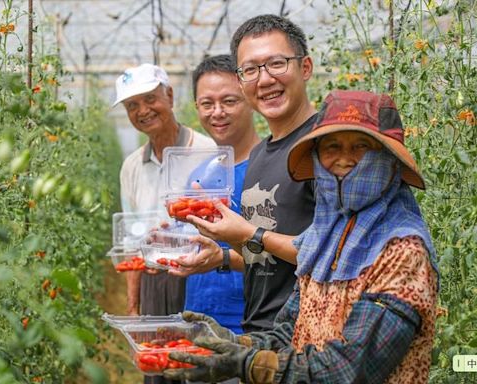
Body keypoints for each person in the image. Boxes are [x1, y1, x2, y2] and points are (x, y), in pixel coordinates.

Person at [163, 90, 439, 384]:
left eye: (361, 146)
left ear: (390, 160)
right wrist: (235, 344)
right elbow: (291, 329)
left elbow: (348, 369)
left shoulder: (402, 251)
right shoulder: (324, 236)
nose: (344, 159)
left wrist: (248, 364)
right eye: (332, 146)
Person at [182, 14, 317, 333]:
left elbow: (336, 253)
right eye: (251, 70)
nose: (265, 79)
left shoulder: (325, 145)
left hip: (307, 340)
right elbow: (267, 260)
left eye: (277, 63)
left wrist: (245, 234)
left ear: (305, 67)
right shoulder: (260, 156)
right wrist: (224, 251)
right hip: (258, 336)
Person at [114, 63, 215, 384]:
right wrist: (134, 309)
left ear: (169, 96)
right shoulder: (131, 166)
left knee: (200, 369)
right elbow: (132, 242)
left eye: (150, 99)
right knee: (158, 370)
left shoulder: (207, 152)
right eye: (132, 105)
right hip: (154, 280)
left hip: (200, 277)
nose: (142, 111)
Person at [170, 54, 260, 337]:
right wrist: (169, 240)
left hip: (249, 330)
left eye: (229, 101)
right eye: (207, 104)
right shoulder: (201, 174)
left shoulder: (271, 168)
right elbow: (195, 243)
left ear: (250, 99)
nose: (217, 112)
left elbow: (290, 258)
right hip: (199, 321)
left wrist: (223, 257)